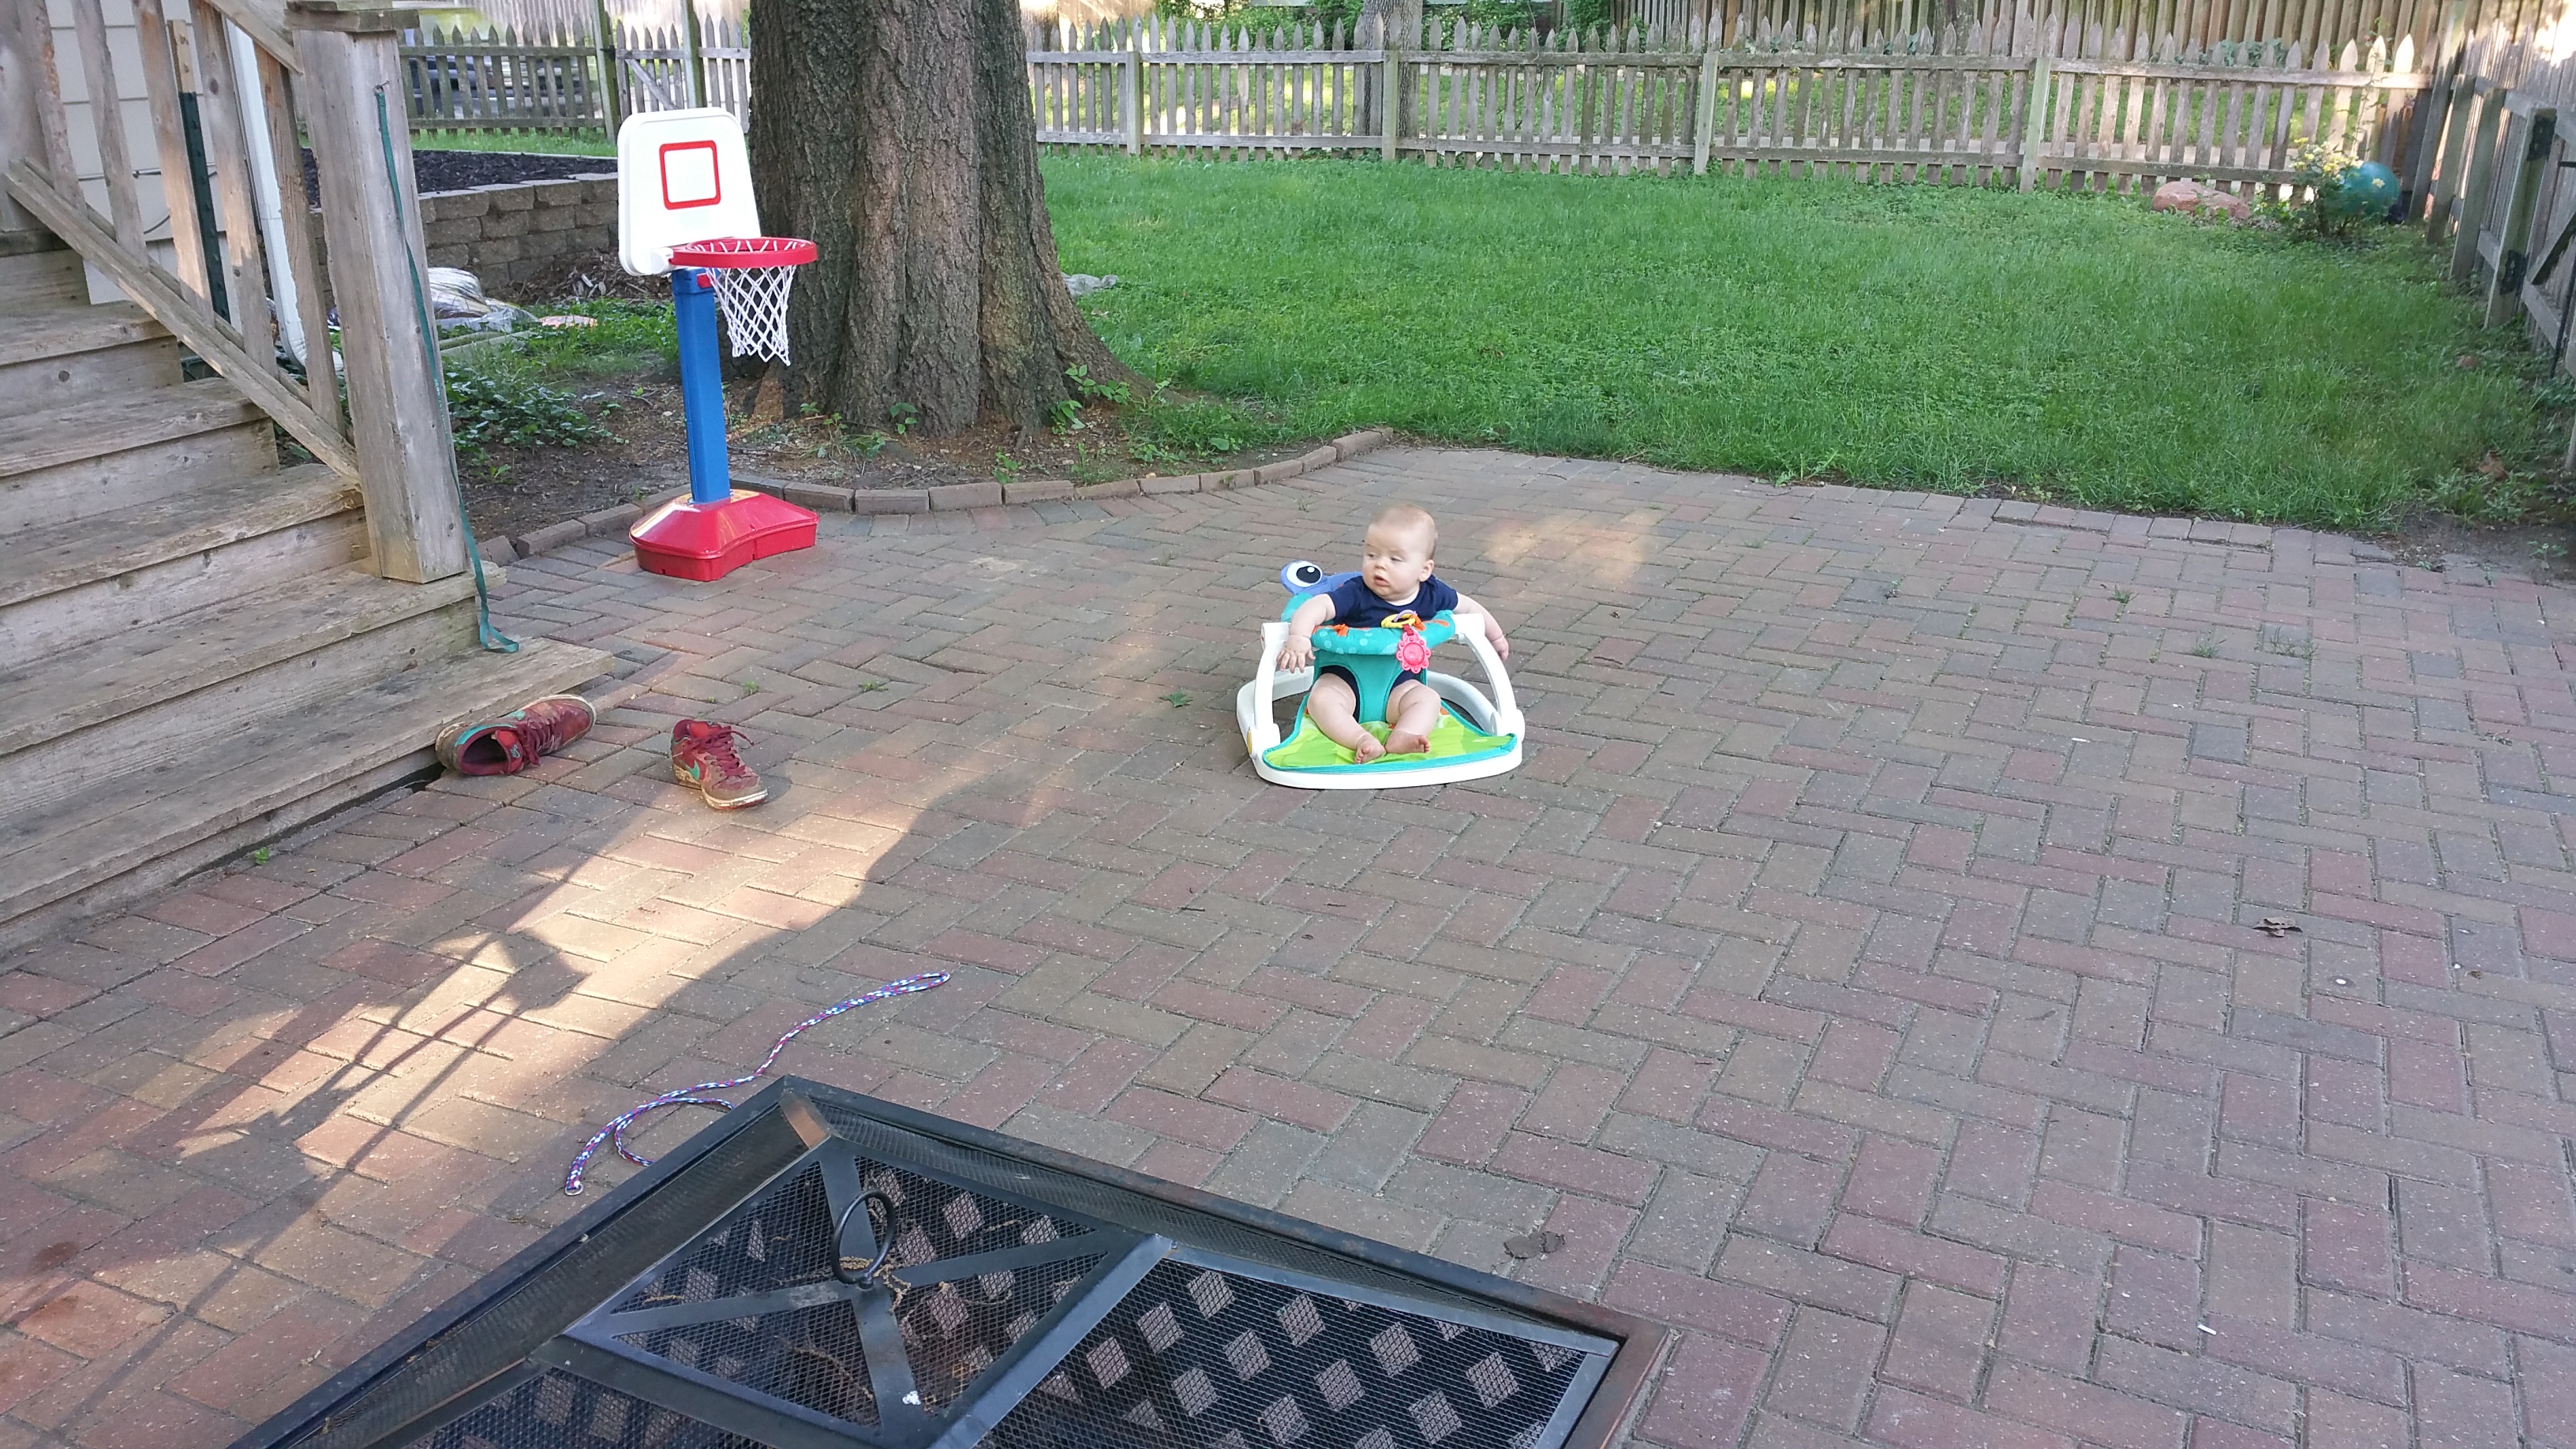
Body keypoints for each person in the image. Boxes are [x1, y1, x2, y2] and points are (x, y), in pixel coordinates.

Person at [1278, 504, 1511, 762]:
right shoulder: (1356, 593)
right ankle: (1360, 739)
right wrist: (1299, 636)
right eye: (1371, 555)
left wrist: (1496, 637)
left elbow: (1469, 608)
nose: (1380, 566)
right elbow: (1318, 605)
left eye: (1395, 559)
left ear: (1424, 570)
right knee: (1321, 698)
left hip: (1398, 687)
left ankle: (1403, 735)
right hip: (1345, 684)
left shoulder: (1432, 594)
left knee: (1428, 699)